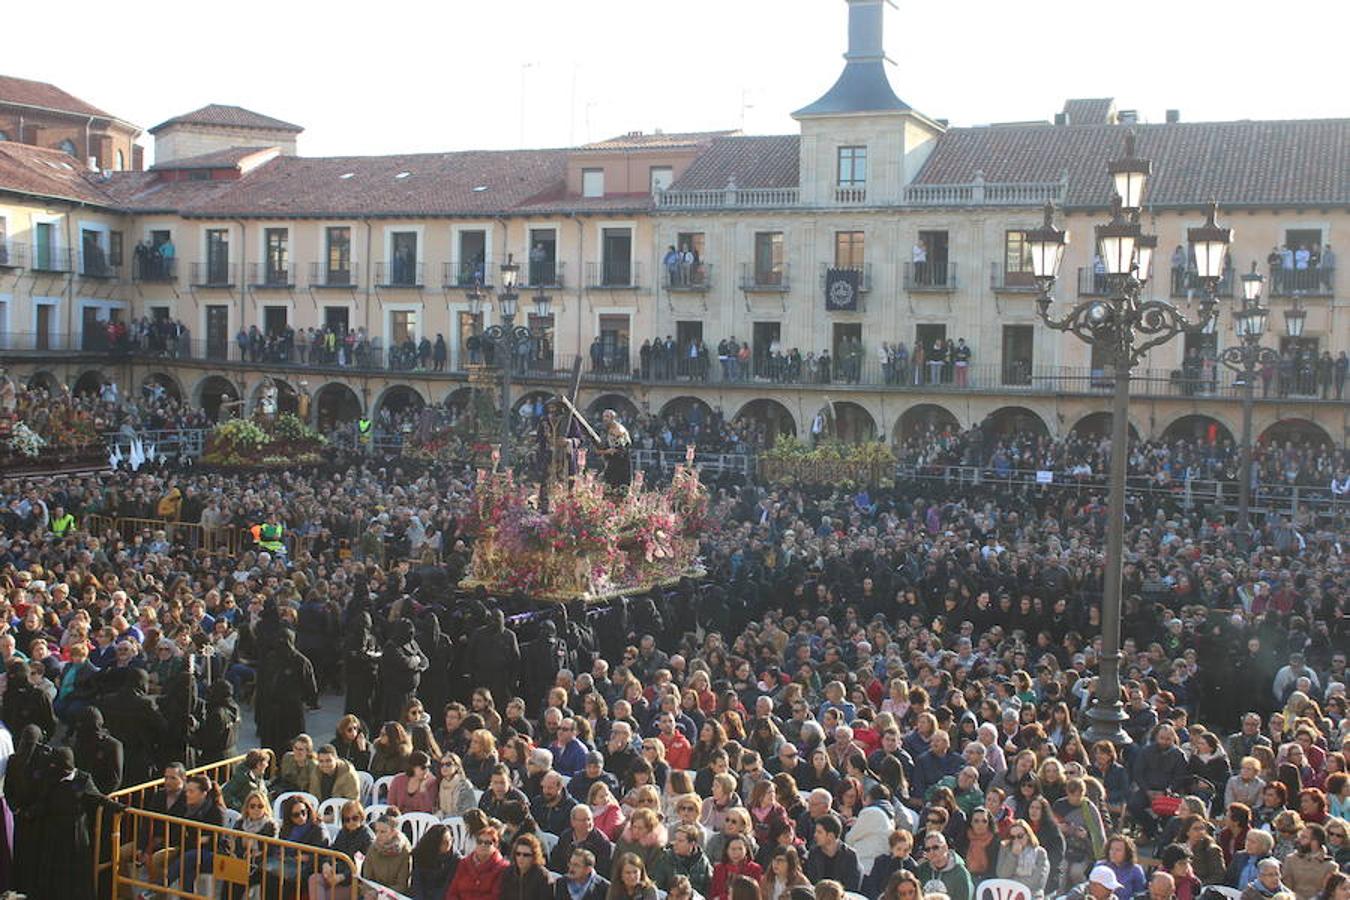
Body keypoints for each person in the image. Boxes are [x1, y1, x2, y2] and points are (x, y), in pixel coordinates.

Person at [309, 799, 373, 900]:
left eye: (355, 818)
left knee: (327, 896)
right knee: (314, 879)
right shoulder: (343, 833)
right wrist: (326, 864)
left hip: (354, 881)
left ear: (361, 817)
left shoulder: (367, 837)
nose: (351, 822)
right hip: (336, 873)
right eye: (347, 819)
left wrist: (342, 876)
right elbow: (333, 851)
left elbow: (364, 867)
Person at [805, 813, 862, 891]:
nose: (815, 835)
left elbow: (852, 886)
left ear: (830, 835)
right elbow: (811, 881)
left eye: (819, 832)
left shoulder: (850, 855)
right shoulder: (814, 854)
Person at [996, 818, 1051, 899]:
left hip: (1032, 895)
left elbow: (1037, 882)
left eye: (1020, 836)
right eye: (1012, 837)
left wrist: (1012, 882)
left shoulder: (1040, 853)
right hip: (1009, 894)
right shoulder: (1006, 849)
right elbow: (1002, 875)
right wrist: (1013, 855)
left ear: (1028, 835)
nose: (1016, 840)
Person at [363, 812, 414, 897]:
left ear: (393, 832)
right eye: (376, 831)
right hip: (373, 894)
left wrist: (380, 894)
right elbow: (366, 878)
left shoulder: (404, 851)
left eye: (383, 832)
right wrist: (369, 892)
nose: (378, 835)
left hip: (394, 895)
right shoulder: (373, 848)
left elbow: (402, 885)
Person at [1283, 824, 1336, 900]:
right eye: (1300, 836)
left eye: (1304, 837)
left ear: (1315, 842)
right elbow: (1286, 887)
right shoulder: (1291, 859)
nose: (1299, 840)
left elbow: (1326, 892)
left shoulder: (1330, 866)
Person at [409, 823, 459, 900]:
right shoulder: (421, 855)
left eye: (450, 840)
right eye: (443, 842)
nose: (448, 844)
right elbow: (417, 882)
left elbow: (447, 887)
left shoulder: (455, 860)